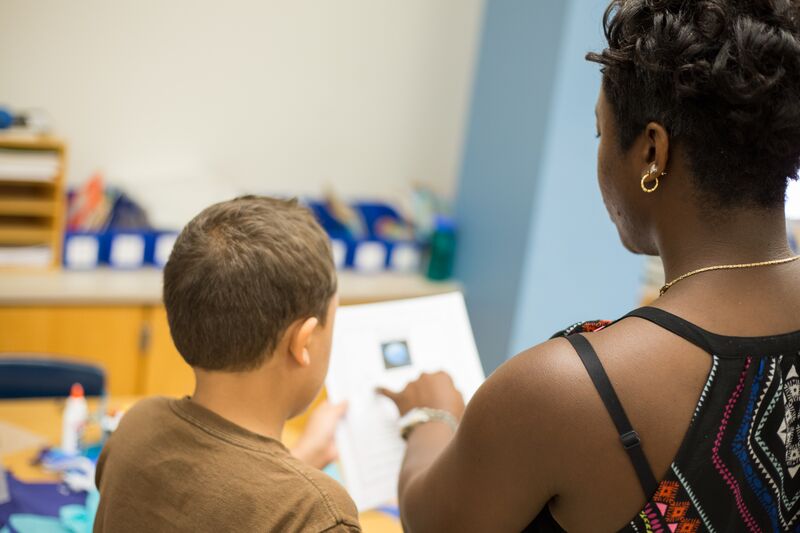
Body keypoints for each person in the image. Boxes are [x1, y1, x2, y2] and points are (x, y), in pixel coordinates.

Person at [379, 0, 800, 531]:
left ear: (652, 151)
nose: (600, 154)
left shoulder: (565, 389)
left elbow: (431, 522)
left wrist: (431, 417)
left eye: (601, 132)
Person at [94, 196, 360, 532]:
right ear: (303, 341)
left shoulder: (136, 427)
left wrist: (302, 457)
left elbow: (220, 494)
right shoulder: (319, 514)